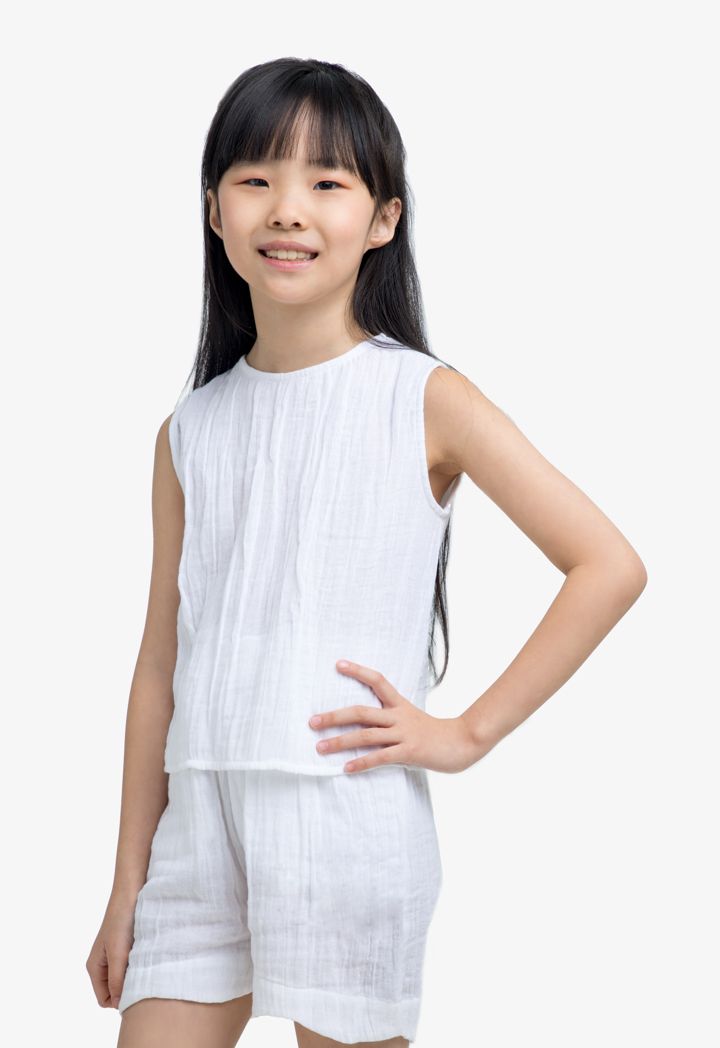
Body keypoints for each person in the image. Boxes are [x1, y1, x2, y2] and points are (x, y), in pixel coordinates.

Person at [85, 57, 647, 1048]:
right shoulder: (189, 432)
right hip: (198, 833)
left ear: (383, 218)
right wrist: (127, 881)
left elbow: (607, 565)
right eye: (256, 178)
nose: (287, 209)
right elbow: (159, 666)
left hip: (342, 821)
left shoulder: (423, 398)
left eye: (327, 182)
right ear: (215, 210)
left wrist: (463, 734)